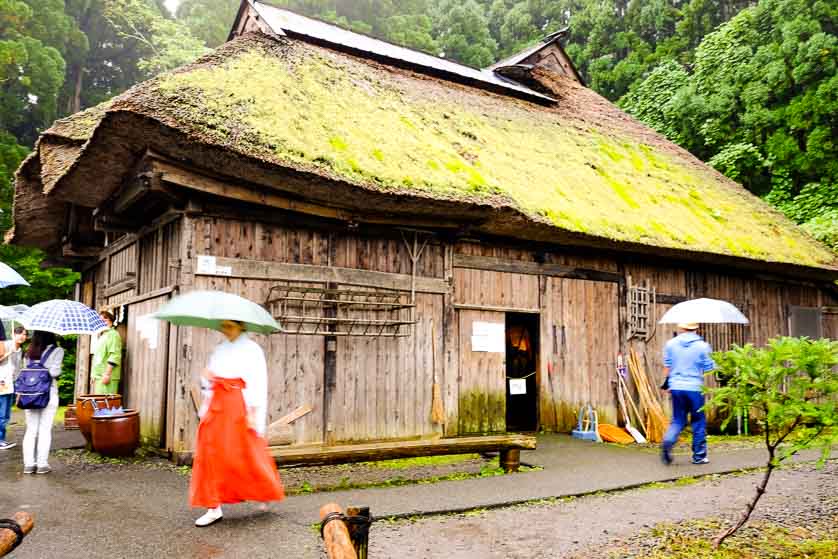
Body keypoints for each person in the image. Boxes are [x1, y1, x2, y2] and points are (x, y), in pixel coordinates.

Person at [190, 320, 284, 527]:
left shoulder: (252, 350)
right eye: (223, 326)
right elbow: (210, 379)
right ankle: (212, 506)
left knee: (242, 452)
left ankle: (263, 489)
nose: (226, 330)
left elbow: (257, 381)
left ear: (241, 326)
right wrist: (206, 378)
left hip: (238, 404)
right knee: (209, 451)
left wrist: (254, 411)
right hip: (217, 404)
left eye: (230, 326)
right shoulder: (220, 349)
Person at [661, 323, 716, 466]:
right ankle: (699, 457)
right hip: (694, 388)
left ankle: (668, 440)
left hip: (676, 387)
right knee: (698, 421)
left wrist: (667, 383)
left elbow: (667, 365)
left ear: (681, 328)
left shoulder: (671, 344)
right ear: (696, 328)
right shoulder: (703, 346)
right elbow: (709, 367)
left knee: (678, 420)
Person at [22, 331, 64, 474]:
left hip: (29, 395)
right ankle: (42, 465)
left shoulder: (29, 351)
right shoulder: (57, 350)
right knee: (44, 429)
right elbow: (54, 373)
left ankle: (28, 464)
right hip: (48, 394)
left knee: (31, 430)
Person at [0, 327, 27, 450]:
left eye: (25, 334)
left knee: (6, 413)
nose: (22, 336)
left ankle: (2, 439)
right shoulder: (5, 344)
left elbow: (17, 368)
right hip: (2, 381)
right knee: (3, 413)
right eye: (20, 334)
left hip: (12, 383)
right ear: (13, 334)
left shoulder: (20, 350)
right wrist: (7, 354)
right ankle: (0, 440)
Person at [91, 310, 122, 394]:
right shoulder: (103, 335)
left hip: (107, 375)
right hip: (99, 375)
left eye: (105, 319)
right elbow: (98, 357)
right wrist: (94, 374)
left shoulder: (113, 334)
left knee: (106, 404)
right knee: (100, 404)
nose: (103, 322)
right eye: (100, 320)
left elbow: (114, 355)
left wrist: (107, 374)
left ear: (111, 320)